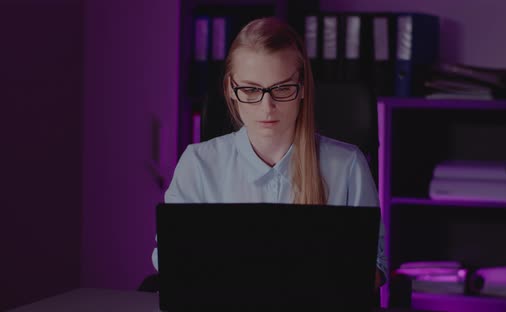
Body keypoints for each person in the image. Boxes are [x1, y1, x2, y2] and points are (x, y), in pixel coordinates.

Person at [153, 16, 387, 289]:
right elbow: (169, 258)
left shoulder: (347, 165)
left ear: (302, 88)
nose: (267, 107)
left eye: (282, 88)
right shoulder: (198, 163)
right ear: (230, 89)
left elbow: (375, 266)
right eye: (251, 90)